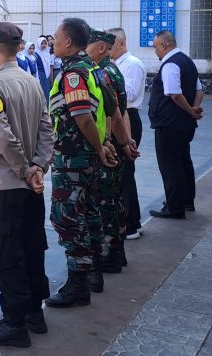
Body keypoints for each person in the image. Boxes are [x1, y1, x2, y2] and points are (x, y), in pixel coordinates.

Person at [0, 21, 55, 348]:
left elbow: (4, 138)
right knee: (32, 248)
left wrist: (24, 170)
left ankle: (14, 322)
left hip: (5, 185)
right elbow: (47, 129)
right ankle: (35, 313)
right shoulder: (33, 82)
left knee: (2, 255)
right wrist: (38, 167)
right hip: (31, 186)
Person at [45, 18, 117, 308]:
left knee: (67, 217)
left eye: (56, 37)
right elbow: (110, 110)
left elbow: (83, 116)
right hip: (87, 154)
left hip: (75, 156)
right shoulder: (93, 70)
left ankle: (78, 283)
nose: (53, 41)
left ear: (68, 42)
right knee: (88, 213)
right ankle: (92, 273)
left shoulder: (74, 73)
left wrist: (100, 147)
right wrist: (107, 143)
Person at [86, 29, 139, 287]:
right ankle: (117, 253)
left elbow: (111, 113)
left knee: (104, 201)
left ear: (101, 48)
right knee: (114, 198)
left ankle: (109, 255)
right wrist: (126, 141)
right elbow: (122, 110)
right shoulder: (113, 70)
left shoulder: (101, 73)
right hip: (115, 142)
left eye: (89, 46)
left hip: (106, 144)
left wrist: (112, 142)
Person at [149, 31, 203, 219]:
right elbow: (199, 89)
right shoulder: (187, 61)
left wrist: (190, 111)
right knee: (183, 162)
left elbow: (174, 94)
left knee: (170, 166)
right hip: (184, 124)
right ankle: (186, 200)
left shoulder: (170, 64)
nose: (155, 51)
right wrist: (195, 108)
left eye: (156, 47)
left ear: (163, 46)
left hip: (170, 123)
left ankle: (174, 207)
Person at [110, 28, 146, 239]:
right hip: (122, 117)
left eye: (111, 46)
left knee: (124, 174)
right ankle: (133, 221)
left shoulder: (131, 64)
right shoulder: (118, 64)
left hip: (128, 118)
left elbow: (129, 94)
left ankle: (130, 225)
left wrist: (107, 87)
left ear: (121, 44)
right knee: (123, 173)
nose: (108, 50)